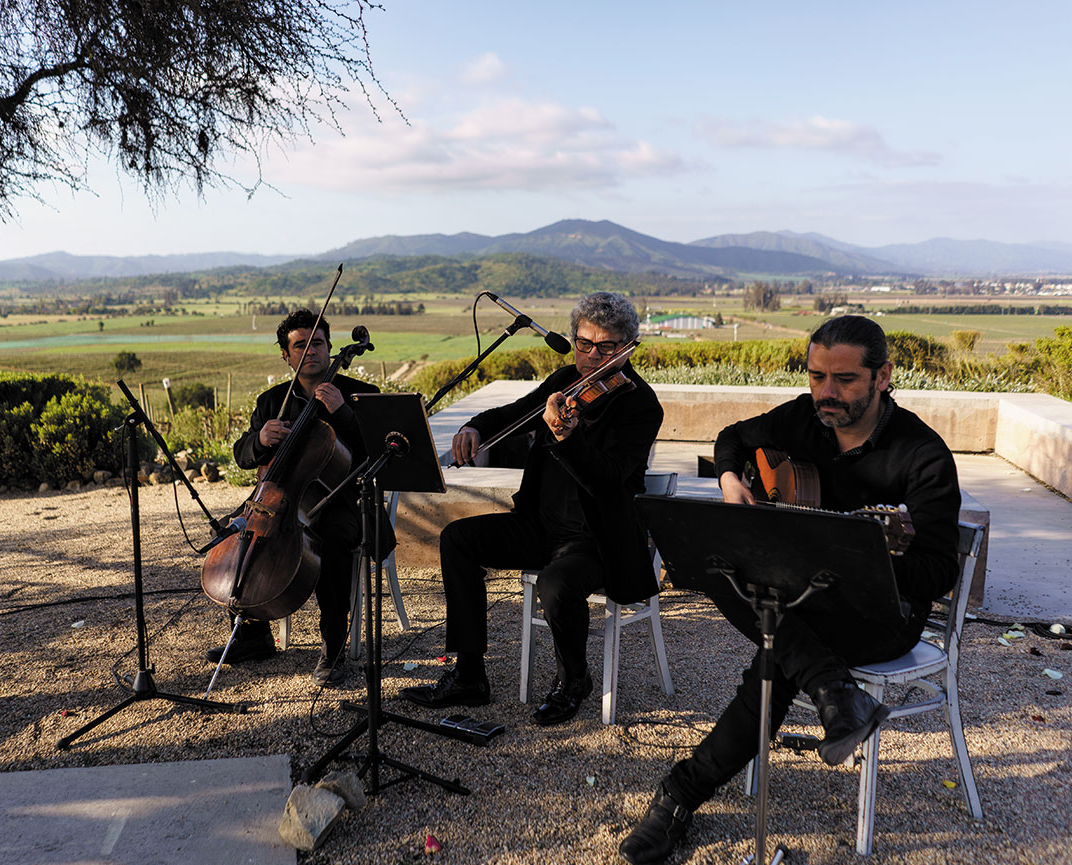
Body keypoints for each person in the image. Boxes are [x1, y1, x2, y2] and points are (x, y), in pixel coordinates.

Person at [619, 315, 962, 864]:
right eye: (816, 376)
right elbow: (733, 439)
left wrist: (874, 556)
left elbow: (938, 574)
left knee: (777, 650)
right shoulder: (804, 420)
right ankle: (832, 693)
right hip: (806, 594)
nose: (827, 393)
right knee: (720, 569)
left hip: (884, 613)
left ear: (883, 377)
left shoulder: (922, 455)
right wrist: (733, 481)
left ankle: (679, 796)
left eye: (845, 379)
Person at [400, 292, 664, 726]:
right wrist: (477, 425)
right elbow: (519, 412)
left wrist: (567, 436)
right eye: (583, 343)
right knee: (458, 540)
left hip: (596, 540)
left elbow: (606, 479)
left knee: (556, 585)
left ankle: (573, 680)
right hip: (541, 527)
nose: (591, 356)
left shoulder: (639, 404)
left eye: (606, 347)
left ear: (627, 346)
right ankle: (469, 675)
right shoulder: (564, 379)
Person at [205, 309, 383, 686]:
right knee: (234, 532)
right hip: (279, 501)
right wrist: (260, 439)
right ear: (286, 356)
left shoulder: (361, 395)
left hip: (343, 502)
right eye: (300, 345)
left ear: (330, 348)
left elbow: (383, 451)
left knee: (331, 543)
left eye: (317, 343)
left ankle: (333, 648)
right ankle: (254, 635)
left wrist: (344, 413)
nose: (310, 351)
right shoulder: (272, 402)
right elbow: (241, 456)